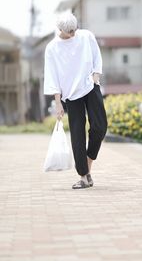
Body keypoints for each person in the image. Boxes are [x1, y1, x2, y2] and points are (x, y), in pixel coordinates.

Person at [43, 12, 107, 189]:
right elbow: (52, 76)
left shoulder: (86, 36)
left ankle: (87, 163)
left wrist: (95, 78)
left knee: (100, 126)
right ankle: (84, 176)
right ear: (60, 30)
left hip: (89, 85)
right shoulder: (52, 48)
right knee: (77, 135)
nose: (73, 34)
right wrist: (58, 103)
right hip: (70, 94)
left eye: (74, 29)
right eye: (69, 31)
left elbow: (97, 57)